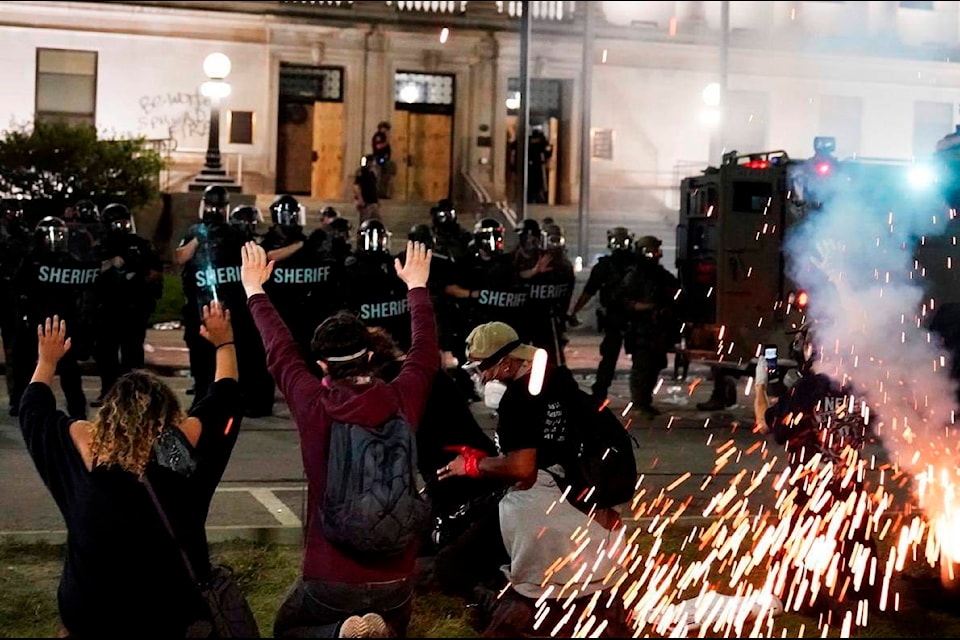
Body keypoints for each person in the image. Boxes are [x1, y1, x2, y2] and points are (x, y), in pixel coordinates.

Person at [241, 239, 439, 638]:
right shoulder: (402, 396)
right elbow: (425, 352)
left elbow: (280, 351)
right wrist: (416, 286)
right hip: (397, 577)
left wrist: (255, 290)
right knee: (393, 627)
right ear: (370, 356)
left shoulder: (314, 402)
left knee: (288, 629)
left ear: (321, 365)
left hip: (329, 577)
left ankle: (338, 631)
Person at [18, 303, 244, 637]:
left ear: (108, 415)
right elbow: (226, 399)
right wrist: (224, 344)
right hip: (171, 617)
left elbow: (33, 411)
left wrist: (47, 361)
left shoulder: (84, 459)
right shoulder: (179, 455)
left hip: (92, 617)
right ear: (168, 416)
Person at [434, 321, 630, 638]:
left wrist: (472, 466)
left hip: (543, 514)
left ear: (508, 363)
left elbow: (523, 469)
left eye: (483, 369)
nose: (481, 378)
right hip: (591, 518)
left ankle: (501, 607)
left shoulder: (517, 401)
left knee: (451, 563)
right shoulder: (563, 384)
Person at [11, 216, 99, 419]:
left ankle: (77, 410)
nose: (56, 240)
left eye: (60, 235)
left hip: (63, 324)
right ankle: (20, 402)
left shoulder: (69, 260)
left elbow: (84, 288)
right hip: (36, 323)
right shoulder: (32, 260)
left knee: (69, 370)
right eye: (52, 235)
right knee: (25, 366)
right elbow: (17, 289)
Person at [92, 203, 164, 406]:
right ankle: (108, 392)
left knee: (132, 353)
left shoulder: (140, 244)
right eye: (117, 223)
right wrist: (109, 264)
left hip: (134, 308)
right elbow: (88, 271)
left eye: (124, 222)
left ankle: (133, 395)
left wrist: (139, 272)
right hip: (107, 308)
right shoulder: (100, 246)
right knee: (106, 354)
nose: (122, 227)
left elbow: (156, 272)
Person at [569, 226, 638, 402]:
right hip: (631, 316)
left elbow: (588, 292)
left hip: (622, 316)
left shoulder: (607, 265)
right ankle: (638, 397)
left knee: (611, 358)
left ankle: (601, 393)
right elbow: (589, 291)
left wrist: (573, 312)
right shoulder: (635, 263)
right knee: (631, 358)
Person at [619, 235, 682, 420]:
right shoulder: (635, 275)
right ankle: (639, 403)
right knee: (642, 366)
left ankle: (645, 401)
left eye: (656, 251)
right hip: (641, 327)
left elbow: (676, 291)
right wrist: (645, 307)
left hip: (658, 329)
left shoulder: (660, 274)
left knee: (655, 365)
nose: (654, 255)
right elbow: (623, 301)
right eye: (650, 251)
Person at [353, 155, 381, 224]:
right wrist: (360, 199)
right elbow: (356, 186)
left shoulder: (372, 173)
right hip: (366, 203)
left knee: (376, 221)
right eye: (372, 162)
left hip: (373, 202)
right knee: (365, 221)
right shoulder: (362, 173)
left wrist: (377, 201)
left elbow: (373, 188)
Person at [371, 121, 395, 199]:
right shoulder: (378, 136)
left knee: (385, 177)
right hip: (379, 158)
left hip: (384, 159)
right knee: (378, 176)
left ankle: (382, 193)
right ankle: (376, 193)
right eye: (386, 129)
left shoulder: (383, 136)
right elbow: (378, 147)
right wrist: (387, 142)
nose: (387, 131)